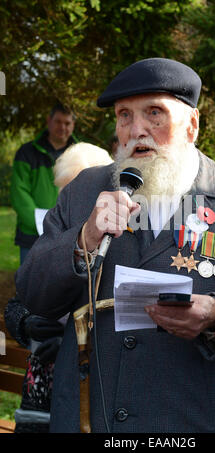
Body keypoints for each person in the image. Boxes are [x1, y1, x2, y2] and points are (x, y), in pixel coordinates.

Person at [15, 58, 215, 433]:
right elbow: (33, 293)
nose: (137, 130)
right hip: (88, 417)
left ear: (192, 125)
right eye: (124, 116)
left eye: (155, 113)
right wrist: (83, 238)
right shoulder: (84, 190)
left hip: (191, 420)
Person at [6, 142, 112, 433]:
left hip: (89, 398)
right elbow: (15, 306)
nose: (70, 199)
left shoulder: (117, 240)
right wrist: (29, 324)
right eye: (64, 190)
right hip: (39, 403)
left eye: (80, 190)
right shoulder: (54, 236)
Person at [10, 103, 77, 264]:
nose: (62, 127)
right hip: (32, 236)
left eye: (67, 123)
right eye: (58, 121)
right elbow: (19, 193)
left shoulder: (79, 154)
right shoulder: (26, 153)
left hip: (68, 235)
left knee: (62, 287)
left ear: (73, 125)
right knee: (30, 287)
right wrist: (42, 224)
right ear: (49, 121)